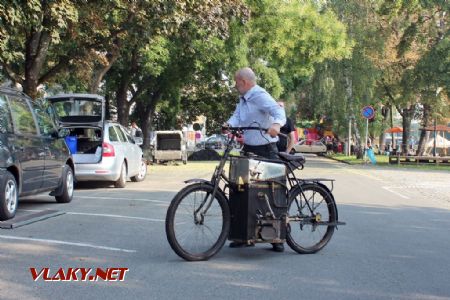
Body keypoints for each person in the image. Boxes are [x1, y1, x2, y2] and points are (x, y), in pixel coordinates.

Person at [224, 67, 286, 252]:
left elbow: (278, 112)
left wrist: (276, 125)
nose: (235, 86)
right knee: (242, 191)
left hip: (266, 150)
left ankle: (277, 237)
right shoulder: (244, 100)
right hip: (249, 150)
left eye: (236, 82)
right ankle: (244, 234)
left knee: (272, 193)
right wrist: (228, 125)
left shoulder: (259, 95)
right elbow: (237, 117)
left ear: (243, 82)